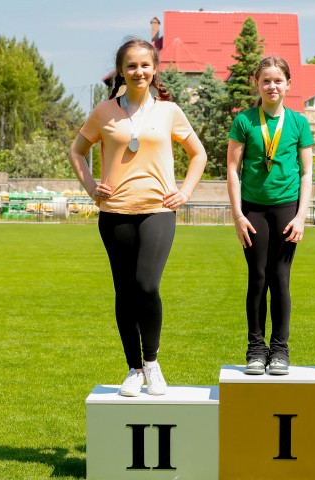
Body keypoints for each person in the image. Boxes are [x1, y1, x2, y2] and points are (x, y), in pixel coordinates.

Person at [68, 37, 206, 397]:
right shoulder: (104, 112)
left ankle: (152, 362)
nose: (138, 71)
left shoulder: (170, 111)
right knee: (125, 292)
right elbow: (77, 151)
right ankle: (133, 369)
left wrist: (185, 192)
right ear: (121, 70)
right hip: (115, 213)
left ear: (155, 69)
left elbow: (199, 154)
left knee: (146, 286)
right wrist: (91, 187)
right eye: (131, 65)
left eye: (145, 65)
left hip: (158, 211)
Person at [226, 56, 314, 376]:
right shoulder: (245, 121)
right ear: (257, 84)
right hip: (253, 211)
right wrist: (238, 215)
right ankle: (255, 349)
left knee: (280, 279)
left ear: (288, 84)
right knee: (257, 278)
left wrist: (301, 216)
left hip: (287, 209)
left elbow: (307, 173)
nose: (272, 86)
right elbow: (232, 170)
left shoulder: (299, 123)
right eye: (266, 81)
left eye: (278, 81)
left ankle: (279, 350)